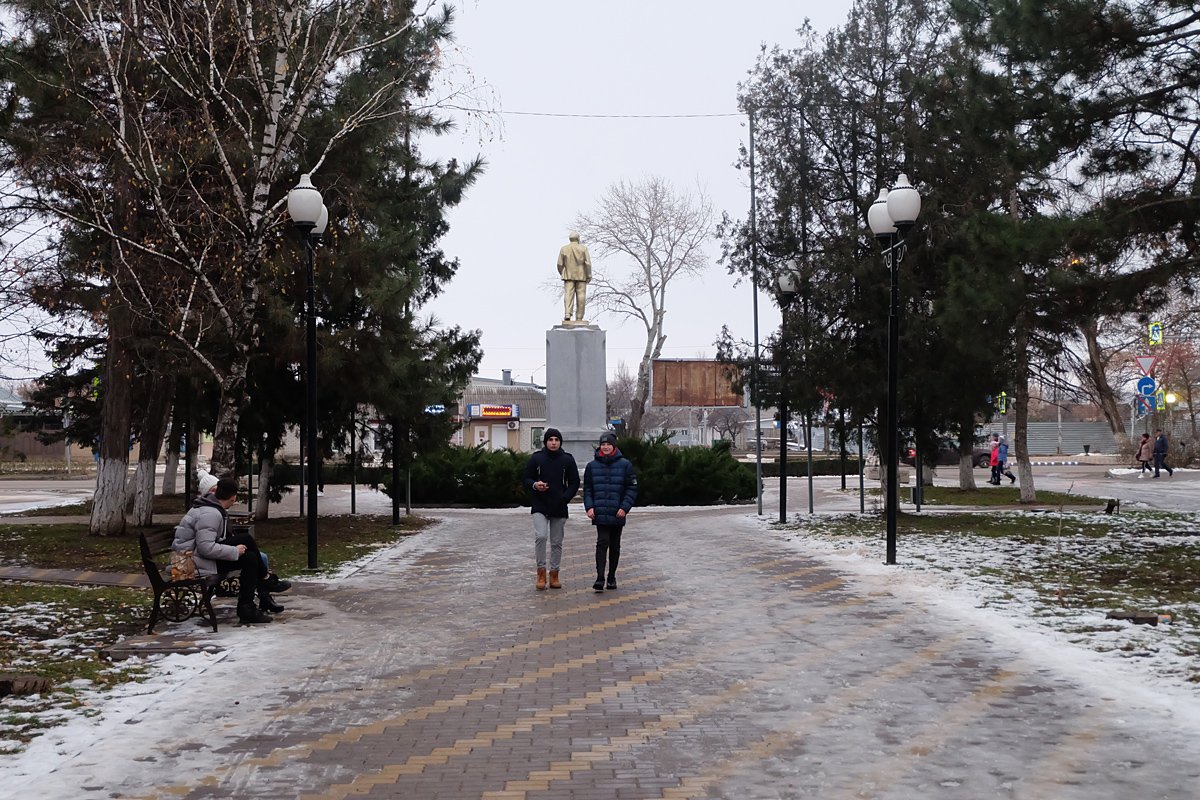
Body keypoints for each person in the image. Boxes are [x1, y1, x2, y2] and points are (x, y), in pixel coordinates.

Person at [173, 476, 273, 624]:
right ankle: (264, 584)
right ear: (233, 497)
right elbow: (205, 547)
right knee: (246, 543)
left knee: (250, 557)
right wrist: (234, 551)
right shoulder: (210, 513)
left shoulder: (209, 508)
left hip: (191, 560)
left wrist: (233, 549)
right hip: (186, 566)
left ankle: (247, 608)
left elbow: (207, 543)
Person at [522, 427, 580, 590]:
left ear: (560, 442)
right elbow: (526, 478)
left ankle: (554, 573)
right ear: (545, 442)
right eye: (550, 440)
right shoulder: (537, 458)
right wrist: (535, 485)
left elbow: (574, 482)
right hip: (540, 504)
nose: (553, 443)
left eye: (556, 440)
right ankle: (541, 572)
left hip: (559, 505)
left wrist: (564, 497)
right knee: (541, 536)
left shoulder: (567, 459)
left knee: (556, 542)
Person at [583, 432, 637, 592]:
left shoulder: (625, 465)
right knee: (602, 543)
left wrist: (624, 507)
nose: (605, 447)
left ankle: (611, 576)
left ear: (614, 446)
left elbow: (632, 488)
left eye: (608, 444)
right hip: (600, 512)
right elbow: (588, 489)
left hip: (617, 512)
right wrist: (589, 507)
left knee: (615, 545)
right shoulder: (592, 466)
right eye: (603, 444)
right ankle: (600, 577)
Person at [557, 231, 592, 323]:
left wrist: (563, 273)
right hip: (581, 275)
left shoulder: (564, 249)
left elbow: (559, 264)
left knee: (568, 294)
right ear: (578, 238)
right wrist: (589, 274)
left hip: (568, 275)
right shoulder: (583, 249)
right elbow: (587, 263)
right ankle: (579, 317)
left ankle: (567, 313)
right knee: (581, 295)